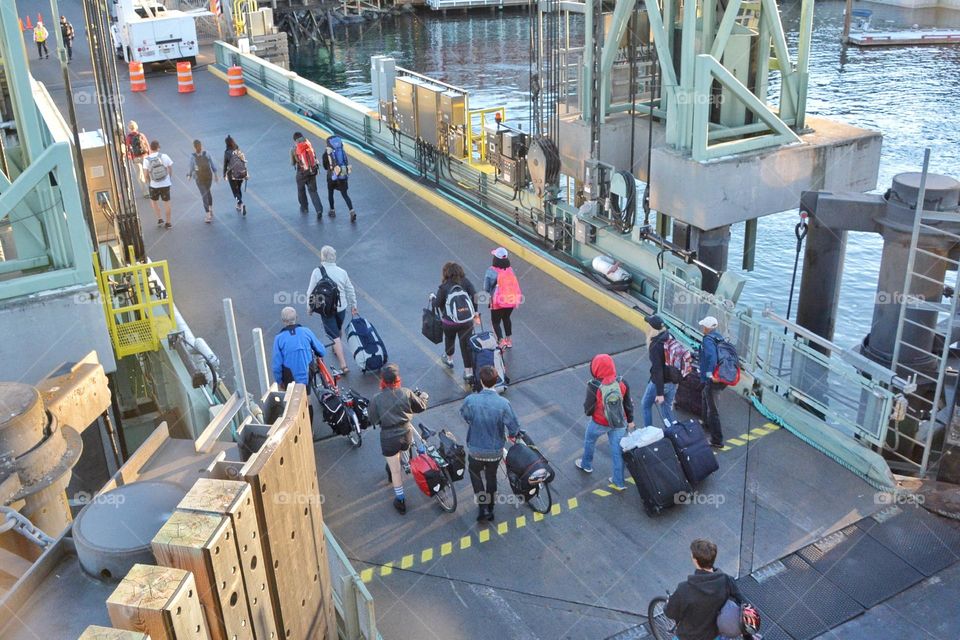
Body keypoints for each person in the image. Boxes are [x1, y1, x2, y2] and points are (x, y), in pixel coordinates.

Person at [460, 365, 521, 523]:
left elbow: (465, 416)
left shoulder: (471, 400)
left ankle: (483, 507)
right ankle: (491, 507)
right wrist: (513, 435)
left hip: (475, 449)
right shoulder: (503, 403)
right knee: (491, 476)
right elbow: (513, 426)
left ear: (480, 381)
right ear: (496, 381)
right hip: (494, 451)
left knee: (475, 476)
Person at [367, 364, 429, 515]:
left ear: (382, 380)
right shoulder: (406, 392)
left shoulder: (376, 399)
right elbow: (420, 407)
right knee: (405, 450)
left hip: (388, 438)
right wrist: (424, 397)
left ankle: (400, 500)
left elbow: (373, 420)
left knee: (395, 472)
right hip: (406, 434)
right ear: (397, 378)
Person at [575, 353, 635, 490]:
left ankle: (586, 464)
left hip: (599, 422)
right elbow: (628, 405)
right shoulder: (622, 382)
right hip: (619, 422)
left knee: (590, 440)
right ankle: (618, 481)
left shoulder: (594, 385)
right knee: (617, 451)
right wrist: (630, 420)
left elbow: (588, 409)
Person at [664, 539, 743, 640]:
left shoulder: (684, 589)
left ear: (695, 560)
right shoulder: (726, 580)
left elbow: (670, 613)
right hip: (716, 634)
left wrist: (667, 605)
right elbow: (740, 601)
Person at [306, 245, 358, 373]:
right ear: (334, 257)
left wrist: (309, 308)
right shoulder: (342, 272)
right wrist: (354, 305)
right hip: (341, 307)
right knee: (338, 330)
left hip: (326, 309)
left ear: (322, 257)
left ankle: (343, 365)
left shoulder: (317, 272)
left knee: (334, 336)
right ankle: (337, 346)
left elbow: (310, 291)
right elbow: (350, 289)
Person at [271, 307, 326, 425]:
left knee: (292, 402)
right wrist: (320, 353)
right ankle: (310, 430)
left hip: (289, 376)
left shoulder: (279, 339)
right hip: (306, 373)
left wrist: (280, 381)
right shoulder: (306, 331)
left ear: (283, 321)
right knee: (307, 398)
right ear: (297, 318)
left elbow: (276, 365)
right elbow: (320, 350)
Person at [433, 262, 481, 385]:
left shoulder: (444, 287)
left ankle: (449, 359)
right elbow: (475, 296)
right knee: (465, 346)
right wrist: (475, 312)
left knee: (449, 338)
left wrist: (432, 298)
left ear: (446, 273)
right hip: (466, 320)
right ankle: (469, 372)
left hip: (449, 322)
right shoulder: (465, 281)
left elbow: (437, 304)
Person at [641, 314, 679, 428]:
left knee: (645, 405)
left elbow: (658, 370)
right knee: (666, 410)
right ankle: (675, 434)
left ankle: (649, 431)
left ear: (652, 329)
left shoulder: (655, 345)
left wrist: (660, 393)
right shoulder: (670, 336)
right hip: (673, 380)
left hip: (660, 383)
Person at [482, 247, 522, 349]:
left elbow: (486, 288)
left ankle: (501, 341)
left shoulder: (491, 271)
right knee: (506, 318)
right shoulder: (510, 269)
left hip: (497, 301)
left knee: (495, 322)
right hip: (510, 300)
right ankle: (509, 340)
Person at [698, 316, 725, 449]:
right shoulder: (719, 337)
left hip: (713, 378)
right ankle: (705, 422)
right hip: (722, 376)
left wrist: (709, 374)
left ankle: (717, 439)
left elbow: (712, 358)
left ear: (707, 328)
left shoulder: (708, 340)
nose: (703, 328)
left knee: (713, 410)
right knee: (705, 395)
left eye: (704, 326)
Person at [322, 138, 357, 222]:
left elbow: (324, 166)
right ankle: (352, 211)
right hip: (342, 174)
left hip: (331, 176)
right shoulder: (342, 152)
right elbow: (346, 162)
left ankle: (332, 211)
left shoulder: (326, 154)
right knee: (345, 195)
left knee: (330, 193)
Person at [142, 140, 173, 228]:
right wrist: (168, 178)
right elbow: (170, 169)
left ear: (150, 148)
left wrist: (149, 182)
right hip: (165, 183)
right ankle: (168, 222)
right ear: (158, 147)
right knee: (166, 203)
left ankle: (160, 219)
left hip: (154, 185)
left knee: (154, 202)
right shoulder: (164, 156)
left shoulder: (146, 159)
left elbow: (145, 174)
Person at [291, 132, 323, 217]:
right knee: (313, 191)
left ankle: (304, 207)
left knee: (301, 190)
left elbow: (292, 163)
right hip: (312, 171)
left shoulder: (294, 149)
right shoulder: (309, 145)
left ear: (295, 140)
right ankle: (319, 210)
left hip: (301, 173)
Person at [187, 140, 218, 223]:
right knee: (208, 192)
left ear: (194, 147)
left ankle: (207, 215)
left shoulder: (192, 156)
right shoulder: (207, 153)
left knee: (204, 195)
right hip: (208, 177)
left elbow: (191, 167)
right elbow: (212, 164)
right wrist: (216, 175)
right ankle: (210, 210)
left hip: (199, 178)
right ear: (201, 146)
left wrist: (189, 175)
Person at [223, 135, 248, 216]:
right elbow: (243, 160)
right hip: (241, 173)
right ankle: (238, 205)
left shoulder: (227, 153)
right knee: (238, 188)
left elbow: (225, 165)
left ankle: (240, 203)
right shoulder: (237, 149)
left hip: (233, 174)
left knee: (235, 192)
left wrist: (224, 174)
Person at [125, 121, 150, 198]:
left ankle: (146, 193)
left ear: (129, 128)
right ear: (136, 127)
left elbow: (127, 148)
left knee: (139, 175)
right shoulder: (141, 135)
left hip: (135, 158)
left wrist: (128, 156)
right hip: (144, 156)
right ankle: (153, 188)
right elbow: (147, 145)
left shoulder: (128, 137)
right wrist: (149, 155)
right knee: (147, 173)